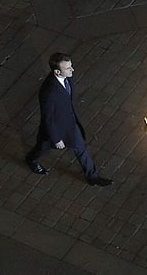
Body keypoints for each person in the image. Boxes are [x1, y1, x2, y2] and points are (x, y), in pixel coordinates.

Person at [25, 52, 113, 187]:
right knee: (43, 148)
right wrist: (56, 138)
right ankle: (31, 159)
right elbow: (47, 118)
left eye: (71, 66)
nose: (72, 70)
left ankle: (92, 177)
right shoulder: (48, 92)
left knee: (81, 148)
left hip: (70, 125)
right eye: (68, 68)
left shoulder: (68, 77)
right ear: (57, 72)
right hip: (55, 129)